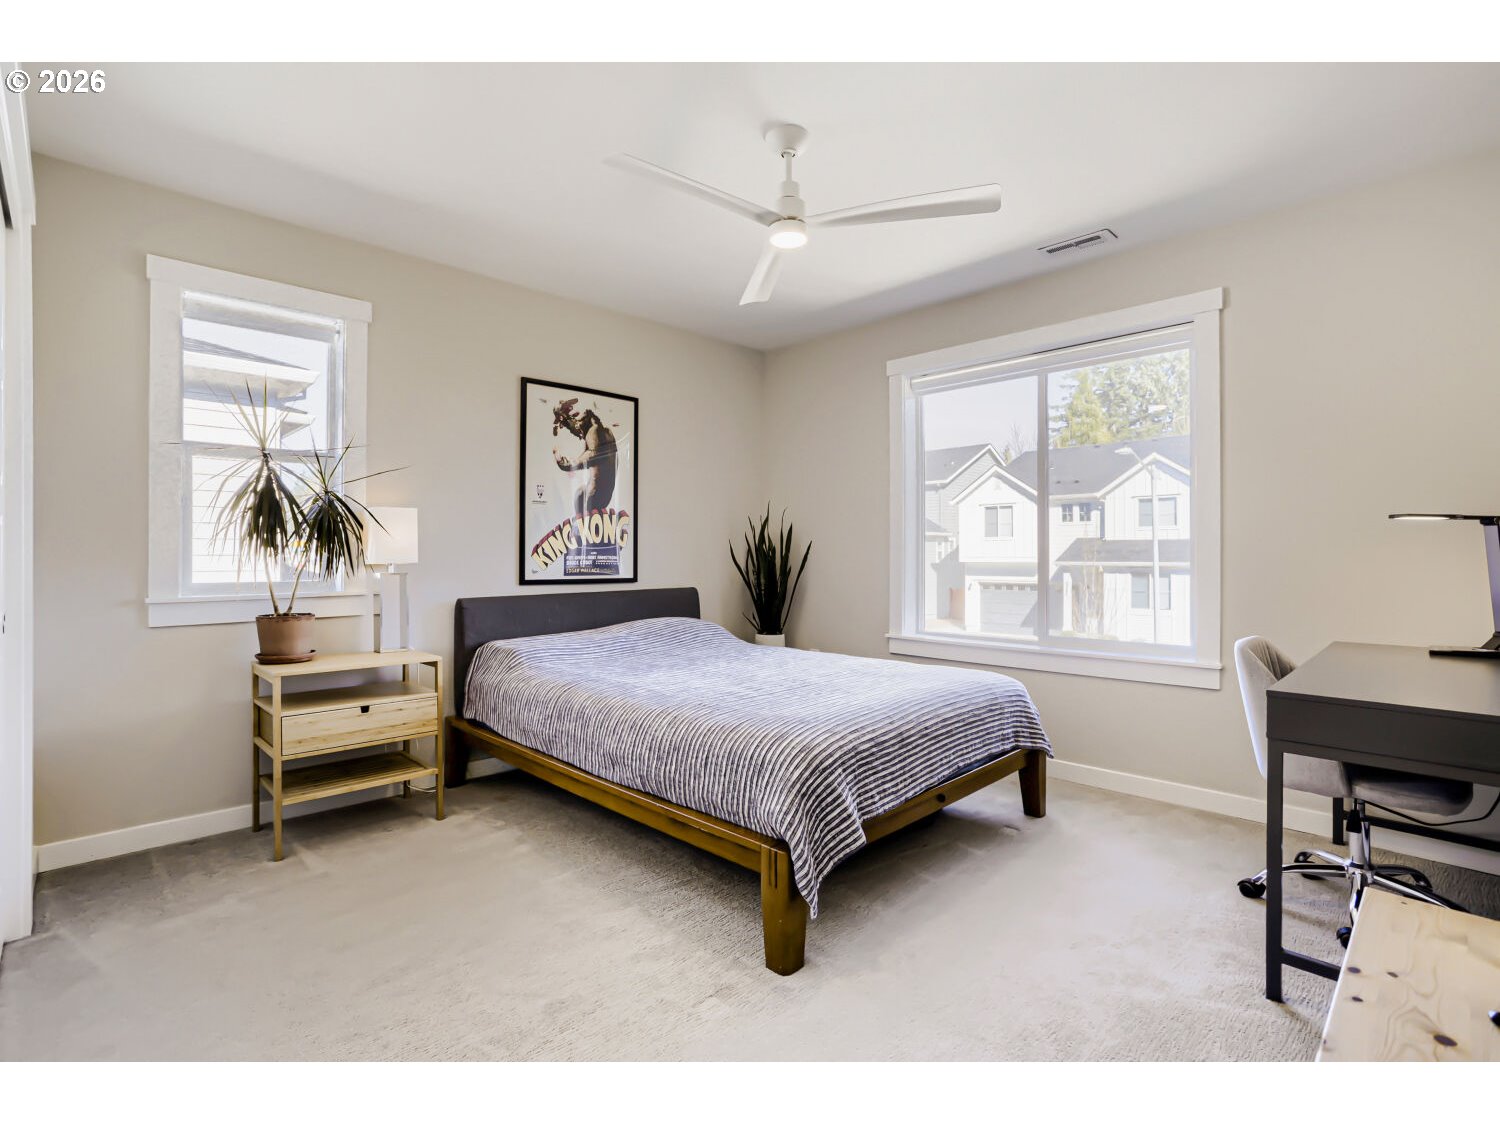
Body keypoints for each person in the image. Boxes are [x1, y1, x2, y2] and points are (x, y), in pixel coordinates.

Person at [551, 397, 617, 517]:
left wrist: (562, 462)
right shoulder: (604, 431)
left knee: (579, 494)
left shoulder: (594, 433)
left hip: (595, 497)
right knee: (580, 493)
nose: (577, 428)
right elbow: (578, 429)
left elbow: (590, 456)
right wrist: (565, 421)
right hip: (604, 495)